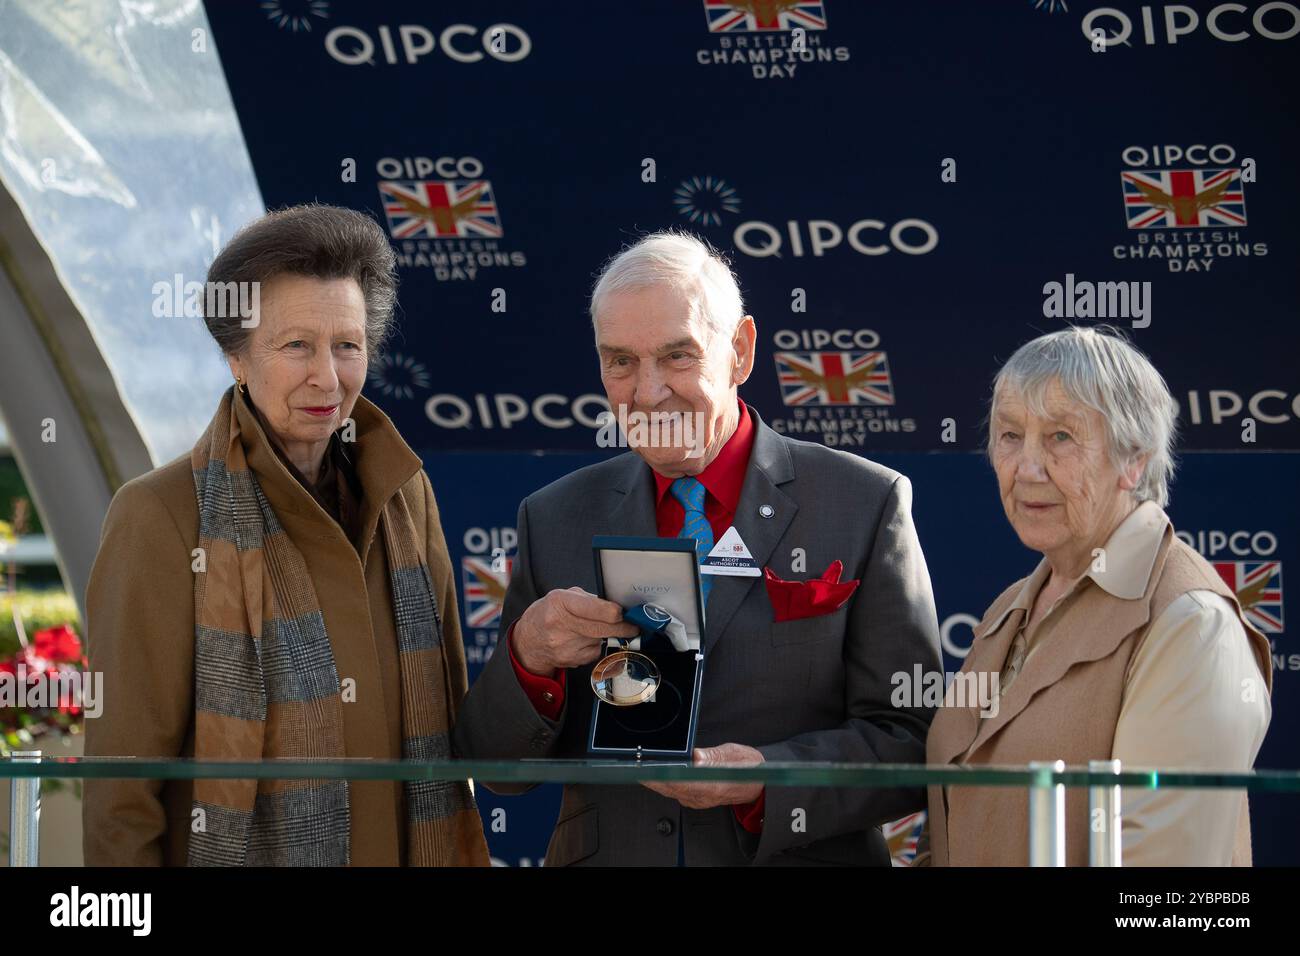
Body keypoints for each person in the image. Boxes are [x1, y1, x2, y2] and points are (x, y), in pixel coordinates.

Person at [454, 230, 942, 865]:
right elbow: (497, 770)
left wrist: (768, 777)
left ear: (739, 351)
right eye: (620, 361)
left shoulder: (864, 503)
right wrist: (529, 656)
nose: (648, 391)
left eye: (678, 356)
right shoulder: (553, 517)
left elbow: (913, 737)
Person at [83, 204, 489, 866]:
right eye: (296, 345)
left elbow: (452, 721)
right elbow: (122, 797)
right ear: (235, 358)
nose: (327, 378)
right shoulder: (159, 515)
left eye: (347, 345)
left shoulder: (405, 497)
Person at [926, 326, 1272, 866]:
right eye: (1010, 436)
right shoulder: (1010, 606)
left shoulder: (1191, 622)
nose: (1028, 468)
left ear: (1134, 458)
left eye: (1061, 437)